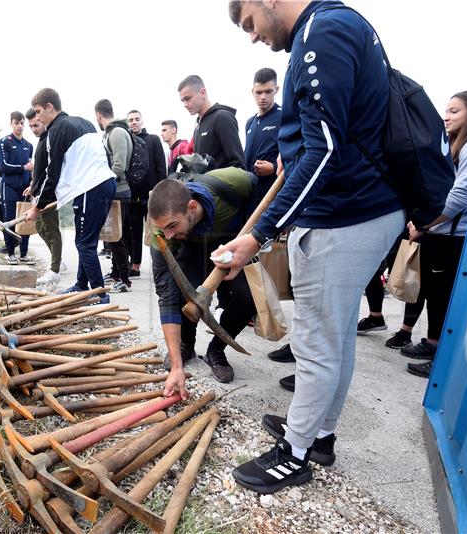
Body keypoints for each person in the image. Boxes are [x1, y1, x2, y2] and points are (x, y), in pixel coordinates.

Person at [222, 0, 405, 493]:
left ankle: (295, 453)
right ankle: (319, 434)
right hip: (363, 208)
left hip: (346, 214)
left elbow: (323, 149)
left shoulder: (321, 34)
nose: (253, 36)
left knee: (318, 344)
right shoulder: (338, 24)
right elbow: (321, 138)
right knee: (337, 336)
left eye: (250, 23)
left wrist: (258, 236)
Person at [404, 90, 467, 378]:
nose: (446, 116)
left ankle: (440, 356)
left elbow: (461, 195)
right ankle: (432, 343)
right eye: (447, 110)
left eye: (455, 111)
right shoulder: (460, 144)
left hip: (453, 236)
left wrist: (425, 223)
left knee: (444, 296)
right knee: (435, 293)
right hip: (442, 232)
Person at [150, 172, 257, 388]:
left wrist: (253, 234)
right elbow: (166, 296)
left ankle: (216, 350)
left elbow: (255, 183)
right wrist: (177, 367)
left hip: (232, 240)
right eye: (163, 229)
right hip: (193, 245)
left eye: (172, 225)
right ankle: (186, 345)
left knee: (248, 297)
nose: (167, 235)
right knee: (182, 291)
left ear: (191, 207)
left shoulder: (232, 182)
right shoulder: (162, 236)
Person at [24, 88, 115, 305]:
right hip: (105, 183)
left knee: (84, 244)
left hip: (90, 188)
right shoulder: (83, 122)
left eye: (39, 111)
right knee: (86, 240)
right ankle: (81, 285)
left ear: (49, 107)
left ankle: (100, 294)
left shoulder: (55, 131)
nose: (37, 117)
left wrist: (37, 206)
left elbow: (51, 174)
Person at [95, 99, 133, 293]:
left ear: (98, 116)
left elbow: (119, 167)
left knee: (117, 236)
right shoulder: (111, 132)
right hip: (116, 190)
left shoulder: (117, 133)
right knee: (114, 235)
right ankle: (116, 273)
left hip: (119, 191)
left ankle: (124, 280)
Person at [24, 108, 64, 284]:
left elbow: (51, 172)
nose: (33, 129)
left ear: (43, 120)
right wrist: (32, 187)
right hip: (40, 193)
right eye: (30, 126)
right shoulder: (40, 141)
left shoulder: (49, 138)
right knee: (40, 228)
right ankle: (58, 259)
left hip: (50, 194)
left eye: (36, 124)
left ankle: (55, 269)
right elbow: (39, 172)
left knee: (51, 229)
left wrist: (41, 194)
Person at [127, 110, 167, 278]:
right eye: (131, 120)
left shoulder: (153, 140)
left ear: (142, 121)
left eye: (137, 119)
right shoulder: (126, 141)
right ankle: (135, 266)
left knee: (158, 232)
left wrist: (161, 191)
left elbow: (161, 166)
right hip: (132, 197)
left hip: (151, 196)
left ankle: (163, 266)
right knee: (134, 233)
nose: (134, 122)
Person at [177, 75, 246, 171]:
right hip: (202, 184)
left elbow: (239, 166)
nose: (185, 105)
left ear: (203, 92)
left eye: (188, 98)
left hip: (222, 184)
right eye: (182, 100)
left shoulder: (222, 117)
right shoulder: (198, 126)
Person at [0, 111, 35, 265]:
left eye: (22, 123)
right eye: (16, 123)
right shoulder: (4, 142)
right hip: (9, 187)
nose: (20, 126)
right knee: (10, 220)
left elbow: (32, 168)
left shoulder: (29, 145)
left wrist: (32, 186)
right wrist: (23, 167)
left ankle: (24, 254)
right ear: (11, 123)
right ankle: (11, 253)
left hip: (25, 188)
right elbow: (3, 167)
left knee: (26, 219)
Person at [244, 68, 282, 203]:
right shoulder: (250, 123)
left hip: (274, 195)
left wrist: (274, 168)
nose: (263, 97)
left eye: (268, 91)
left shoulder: (284, 117)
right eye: (259, 92)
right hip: (251, 195)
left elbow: (298, 154)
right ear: (252, 92)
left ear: (276, 89)